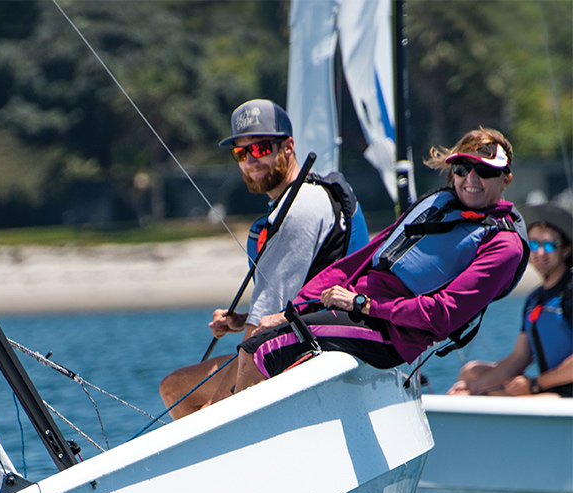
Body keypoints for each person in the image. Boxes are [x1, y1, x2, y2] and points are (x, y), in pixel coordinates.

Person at [220, 127, 529, 399]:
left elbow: (443, 315)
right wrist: (294, 311)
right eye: (462, 168)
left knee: (259, 348)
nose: (470, 179)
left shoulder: (504, 244)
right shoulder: (438, 205)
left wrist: (362, 304)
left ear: (506, 179)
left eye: (485, 172)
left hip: (391, 334)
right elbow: (352, 265)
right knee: (262, 331)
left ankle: (235, 450)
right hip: (355, 311)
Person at [159, 99, 369, 417]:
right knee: (175, 388)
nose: (251, 161)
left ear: (288, 147)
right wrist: (242, 320)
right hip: (301, 329)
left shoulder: (299, 209)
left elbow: (263, 328)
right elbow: (287, 304)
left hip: (316, 346)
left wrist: (229, 406)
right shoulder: (304, 196)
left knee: (213, 413)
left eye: (261, 149)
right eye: (241, 153)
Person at [448, 203, 572, 397]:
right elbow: (519, 359)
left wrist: (535, 384)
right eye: (533, 245)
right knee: (470, 373)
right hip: (545, 388)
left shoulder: (570, 291)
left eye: (548, 245)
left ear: (565, 250)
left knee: (485, 397)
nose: (540, 253)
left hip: (561, 393)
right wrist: (472, 388)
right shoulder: (535, 299)